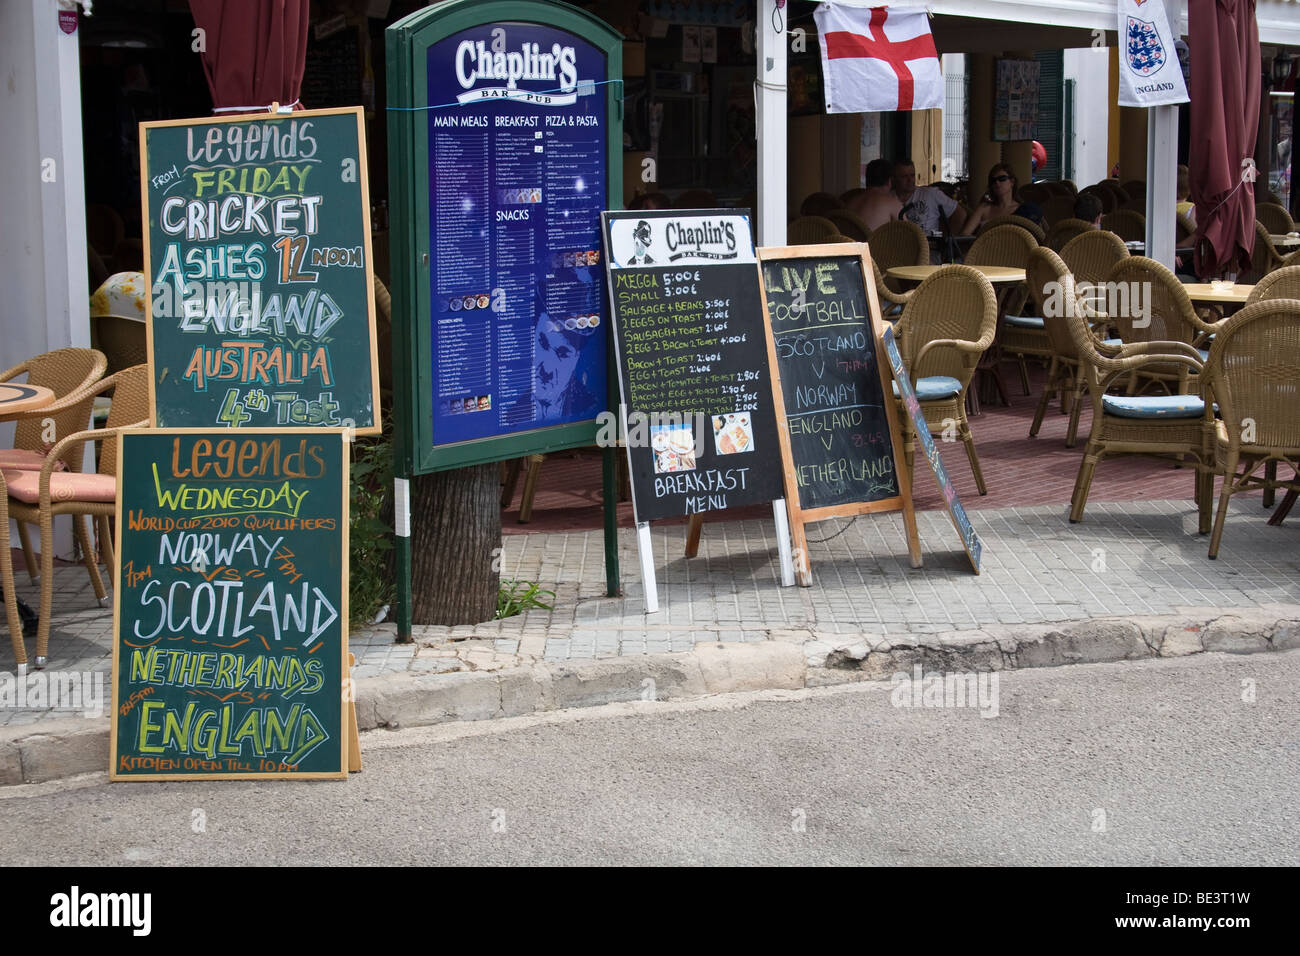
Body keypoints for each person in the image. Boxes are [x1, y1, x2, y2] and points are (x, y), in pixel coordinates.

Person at [891, 158, 967, 235]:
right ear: (894, 179)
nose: (910, 180)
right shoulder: (887, 198)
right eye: (904, 176)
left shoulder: (930, 193)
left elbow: (960, 214)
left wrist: (949, 240)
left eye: (912, 175)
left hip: (929, 245)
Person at [960, 163, 1022, 235]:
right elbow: (964, 234)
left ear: (1012, 182)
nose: (997, 182)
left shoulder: (1021, 209)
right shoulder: (984, 208)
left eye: (1002, 178)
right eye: (993, 180)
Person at [848, 158, 903, 230]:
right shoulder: (892, 203)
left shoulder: (851, 202)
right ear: (889, 181)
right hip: (876, 241)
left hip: (849, 241)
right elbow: (909, 233)